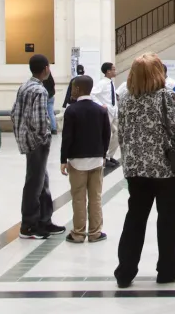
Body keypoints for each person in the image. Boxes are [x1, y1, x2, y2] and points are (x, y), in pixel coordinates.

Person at [115, 53, 175, 288]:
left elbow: (122, 131)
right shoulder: (165, 95)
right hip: (165, 169)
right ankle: (168, 270)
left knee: (134, 219)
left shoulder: (126, 97)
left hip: (135, 168)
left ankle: (125, 272)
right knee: (167, 220)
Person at [11, 54, 64, 240]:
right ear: (46, 69)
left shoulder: (24, 86)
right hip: (37, 143)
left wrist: (22, 137)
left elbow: (14, 113)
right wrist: (42, 138)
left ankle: (44, 219)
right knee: (35, 183)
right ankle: (29, 225)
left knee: (42, 181)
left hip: (28, 140)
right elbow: (40, 120)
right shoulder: (40, 91)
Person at [60, 73, 111, 243]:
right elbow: (106, 135)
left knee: (78, 197)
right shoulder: (100, 110)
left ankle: (78, 233)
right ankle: (95, 232)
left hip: (76, 160)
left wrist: (63, 160)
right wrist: (104, 154)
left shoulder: (71, 110)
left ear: (77, 88)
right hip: (97, 159)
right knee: (95, 197)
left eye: (73, 87)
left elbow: (67, 137)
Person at [92, 61, 120, 167]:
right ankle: (103, 157)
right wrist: (101, 105)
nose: (115, 71)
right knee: (106, 135)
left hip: (114, 111)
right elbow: (92, 94)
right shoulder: (102, 83)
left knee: (117, 133)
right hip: (107, 112)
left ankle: (109, 156)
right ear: (108, 71)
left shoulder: (111, 82)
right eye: (113, 69)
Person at [42, 66, 57, 136]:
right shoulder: (51, 79)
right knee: (51, 113)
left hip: (45, 97)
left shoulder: (42, 80)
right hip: (51, 97)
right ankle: (54, 129)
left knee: (45, 113)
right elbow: (53, 90)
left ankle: (47, 128)